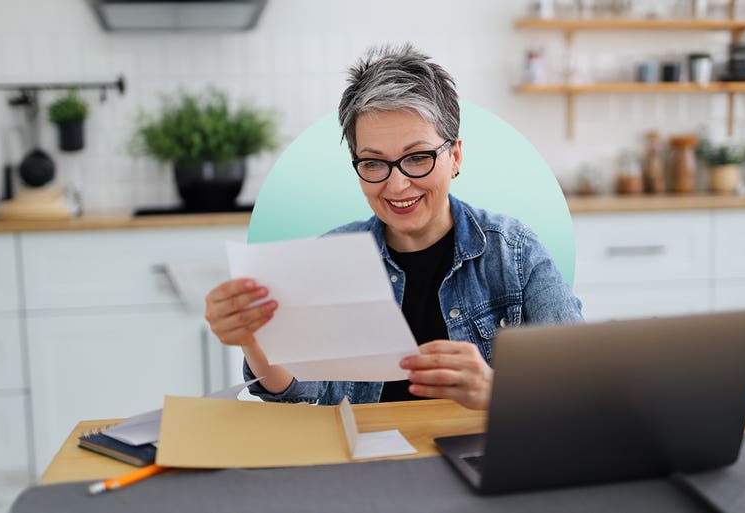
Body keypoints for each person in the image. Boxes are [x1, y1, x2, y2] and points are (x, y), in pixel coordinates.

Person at [204, 44, 582, 410]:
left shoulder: (514, 253)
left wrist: (497, 391)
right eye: (373, 163)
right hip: (365, 462)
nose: (397, 185)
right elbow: (297, 387)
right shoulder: (331, 257)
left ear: (455, 157)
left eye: (417, 158)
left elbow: (580, 382)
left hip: (482, 462)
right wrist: (254, 338)